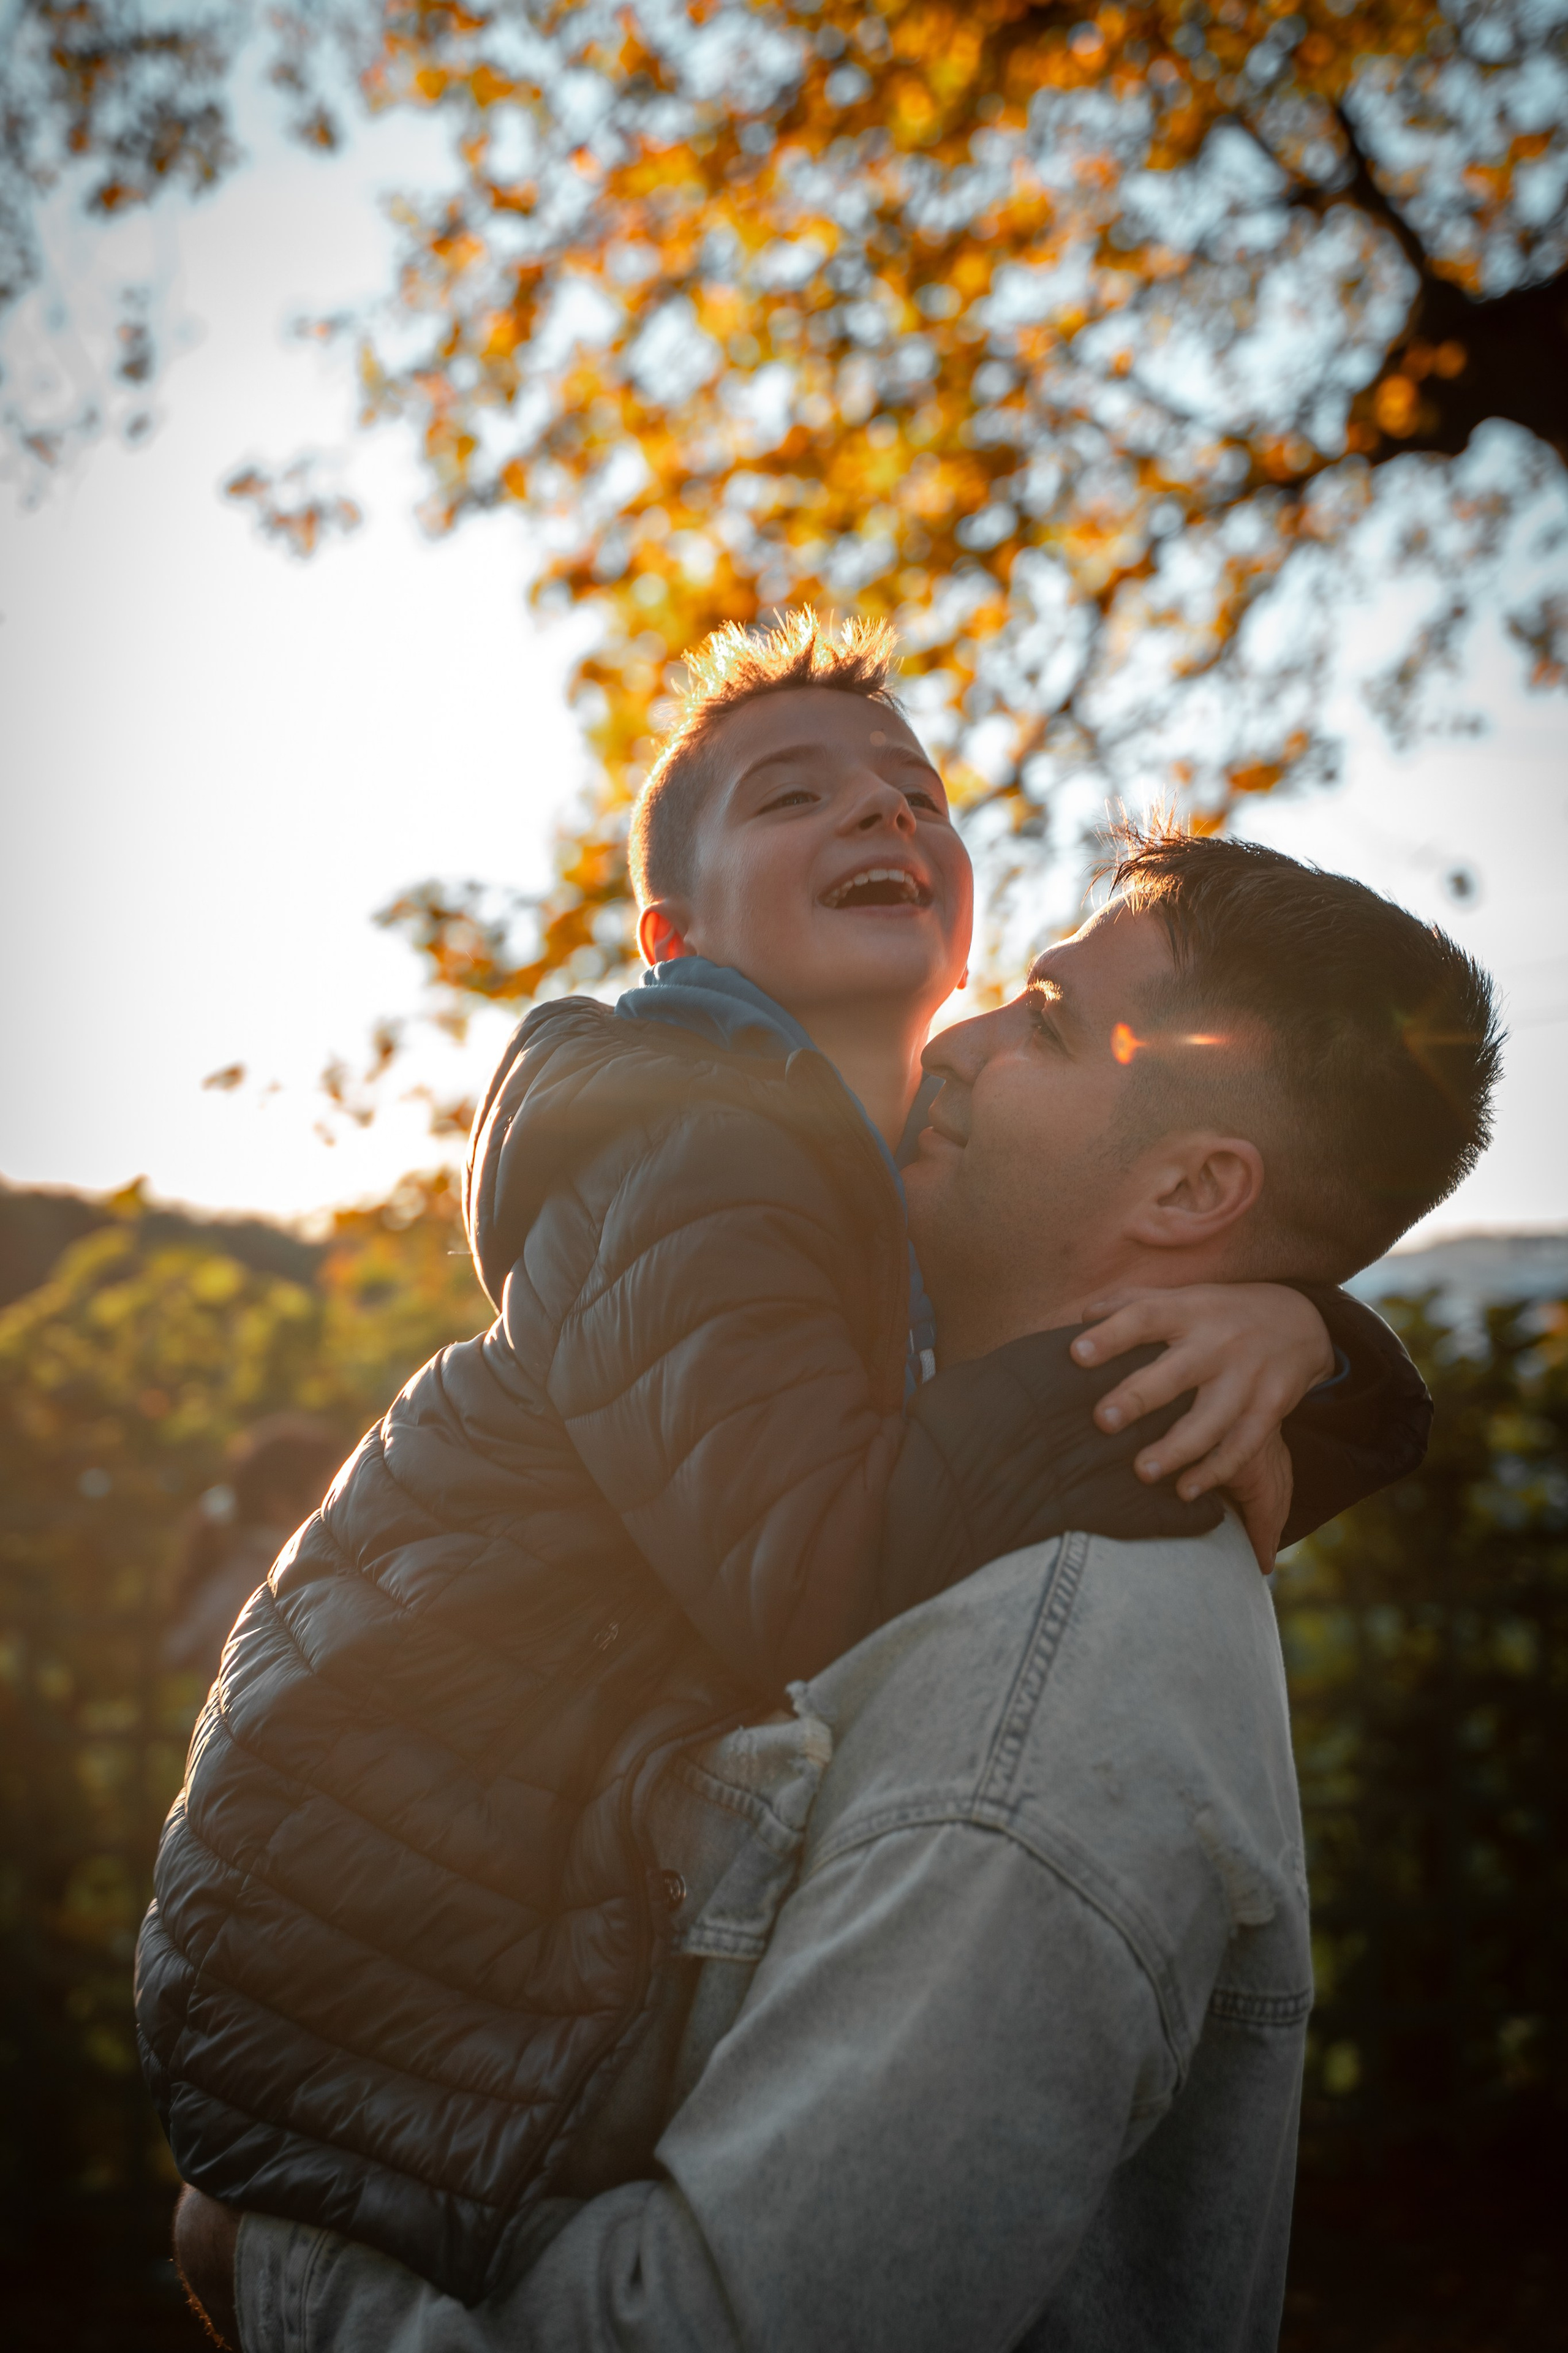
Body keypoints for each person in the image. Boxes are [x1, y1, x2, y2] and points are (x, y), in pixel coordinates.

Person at [138, 619, 1427, 2307]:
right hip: (386, 1858)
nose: (882, 819)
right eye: (794, 796)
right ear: (675, 937)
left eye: (915, 793)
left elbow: (1147, 1326)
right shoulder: (691, 1140)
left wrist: (1315, 1346)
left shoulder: (877, 1168)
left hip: (527, 1835)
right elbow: (825, 1567)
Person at [164, 1416, 345, 1685]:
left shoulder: (245, 1570)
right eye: (332, 1489)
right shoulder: (274, 1580)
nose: (343, 1502)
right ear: (280, 1504)